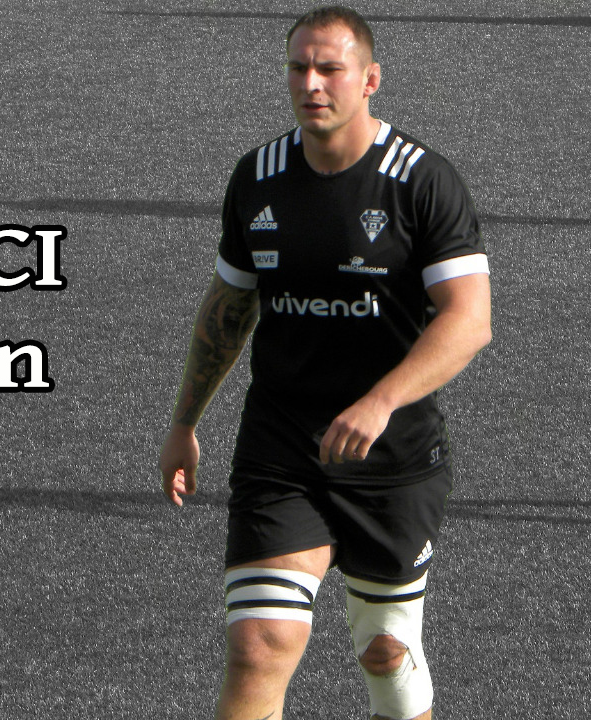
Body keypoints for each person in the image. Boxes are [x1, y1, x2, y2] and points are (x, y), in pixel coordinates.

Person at [157, 6, 491, 719]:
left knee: (385, 651)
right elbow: (229, 307)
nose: (311, 83)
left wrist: (380, 402)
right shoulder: (258, 177)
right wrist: (185, 422)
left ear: (370, 80)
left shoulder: (422, 182)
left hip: (391, 456)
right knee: (258, 644)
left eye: (330, 69)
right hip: (281, 446)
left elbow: (469, 320)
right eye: (299, 67)